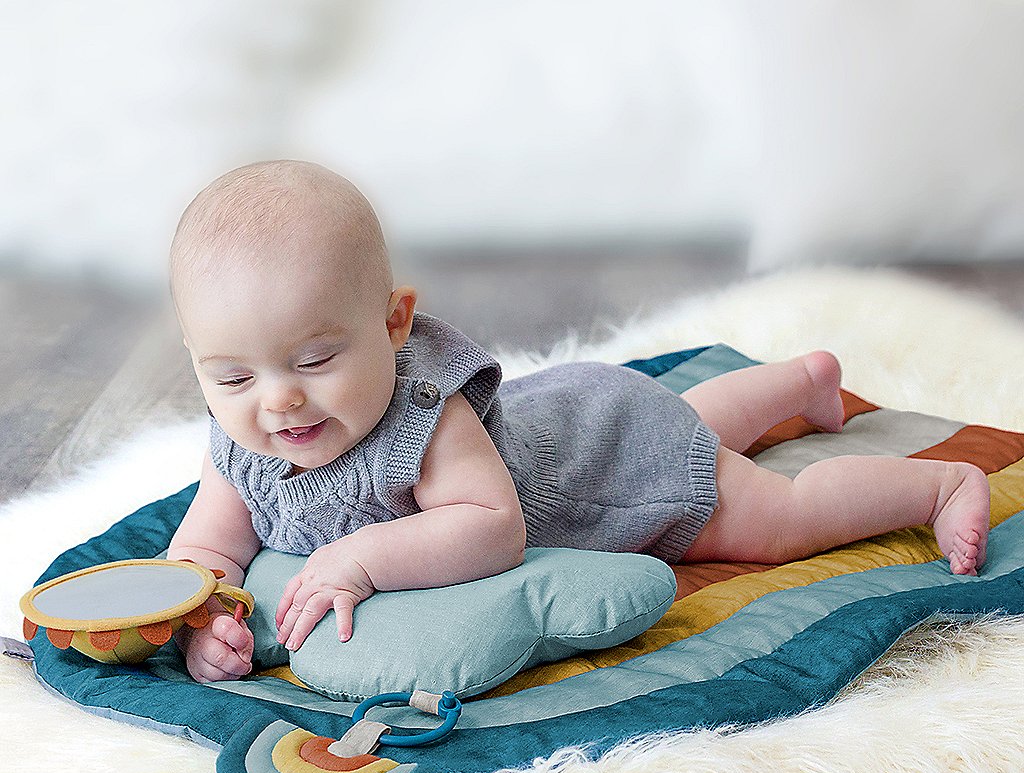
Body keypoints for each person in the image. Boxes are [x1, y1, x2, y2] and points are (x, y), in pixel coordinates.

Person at [166, 160, 991, 685]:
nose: (277, 402)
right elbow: (206, 548)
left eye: (314, 362)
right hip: (586, 416)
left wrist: (359, 559)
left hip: (615, 474)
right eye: (232, 375)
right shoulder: (243, 444)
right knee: (685, 421)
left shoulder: (424, 422)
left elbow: (493, 530)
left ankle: (934, 485)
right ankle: (802, 382)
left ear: (394, 324)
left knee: (768, 513)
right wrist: (206, 623)